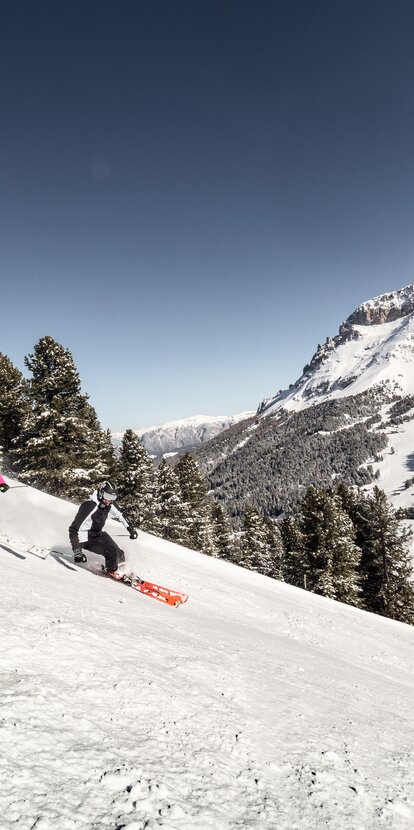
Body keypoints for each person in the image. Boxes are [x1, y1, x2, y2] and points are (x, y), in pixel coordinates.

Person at [69, 481, 138, 574]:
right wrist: (77, 551)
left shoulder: (108, 504)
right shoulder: (90, 506)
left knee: (120, 554)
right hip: (84, 538)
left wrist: (131, 529)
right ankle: (113, 571)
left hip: (97, 534)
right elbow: (73, 529)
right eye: (108, 497)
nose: (109, 501)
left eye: (113, 498)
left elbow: (120, 514)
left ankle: (123, 570)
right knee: (112, 552)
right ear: (101, 493)